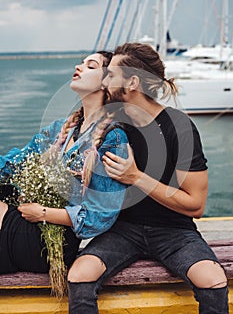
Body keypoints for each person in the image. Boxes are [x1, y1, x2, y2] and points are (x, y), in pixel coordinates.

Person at [67, 43, 229, 314]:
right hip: (123, 229)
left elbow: (196, 205)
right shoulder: (111, 125)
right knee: (80, 274)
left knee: (213, 279)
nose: (105, 80)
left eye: (111, 74)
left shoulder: (179, 126)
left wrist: (136, 177)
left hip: (174, 231)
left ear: (132, 82)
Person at [0, 51, 129, 275]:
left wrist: (42, 213)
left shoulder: (113, 138)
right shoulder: (61, 129)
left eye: (91, 65)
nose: (79, 67)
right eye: (80, 62)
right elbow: (16, 163)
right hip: (30, 224)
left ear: (107, 82)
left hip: (53, 242)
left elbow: (100, 217)